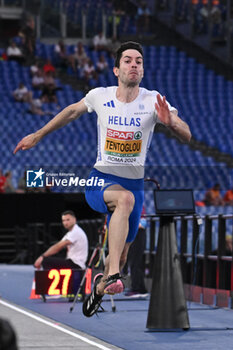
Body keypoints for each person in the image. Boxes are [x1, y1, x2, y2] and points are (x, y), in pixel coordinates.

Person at [14, 41, 191, 317]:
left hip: (134, 186)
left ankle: (99, 286)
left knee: (119, 253)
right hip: (100, 181)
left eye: (139, 62)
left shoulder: (153, 101)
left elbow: (186, 133)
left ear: (142, 71)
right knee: (125, 200)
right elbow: (71, 111)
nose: (134, 65)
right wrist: (38, 135)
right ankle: (113, 276)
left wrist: (172, 123)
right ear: (116, 69)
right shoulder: (100, 95)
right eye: (128, 60)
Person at [125, 206, 148, 297]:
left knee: (136, 261)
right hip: (134, 232)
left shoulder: (137, 203)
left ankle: (137, 288)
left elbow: (142, 223)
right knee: (134, 261)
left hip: (138, 233)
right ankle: (140, 288)